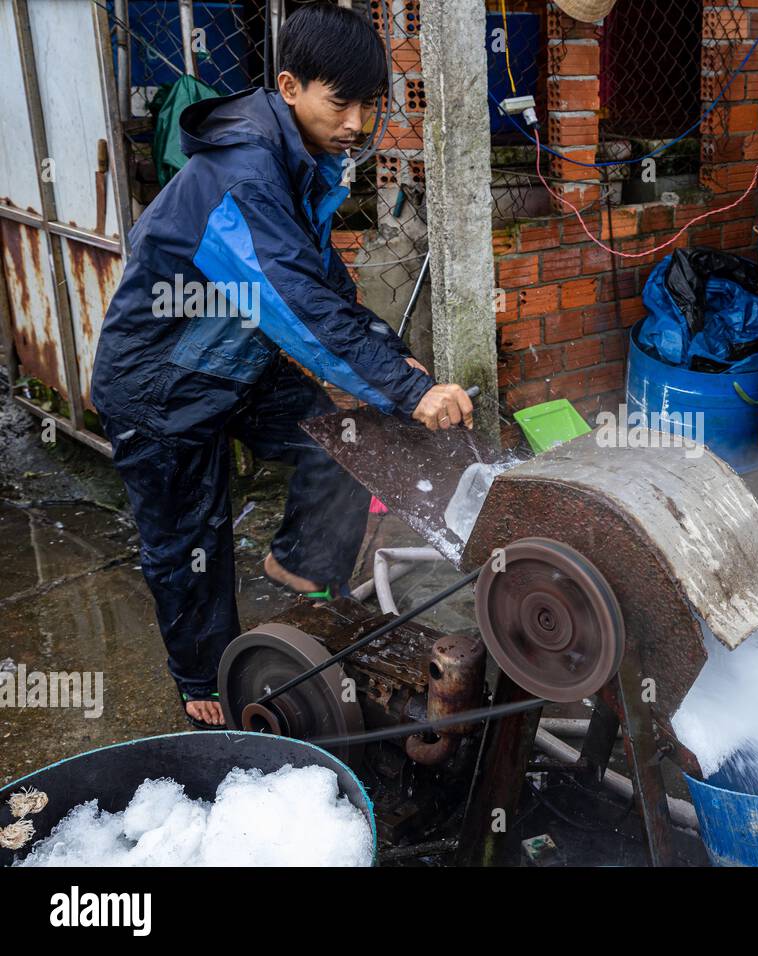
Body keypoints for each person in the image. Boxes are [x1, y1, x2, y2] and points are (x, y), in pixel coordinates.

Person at [90, 3, 472, 728]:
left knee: (342, 440)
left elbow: (322, 279)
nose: (358, 121)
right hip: (159, 382)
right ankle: (205, 681)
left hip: (233, 359)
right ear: (291, 85)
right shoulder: (243, 175)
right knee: (190, 543)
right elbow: (293, 303)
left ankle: (299, 572)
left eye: (370, 104)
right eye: (342, 101)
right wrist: (405, 388)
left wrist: (393, 361)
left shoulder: (300, 161)